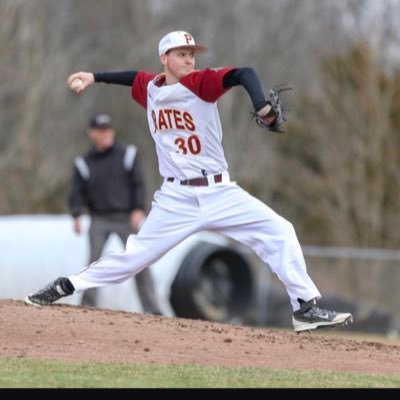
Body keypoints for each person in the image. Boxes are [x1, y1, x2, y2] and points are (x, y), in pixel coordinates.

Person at [25, 30, 352, 333]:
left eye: (191, 53)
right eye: (181, 54)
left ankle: (305, 307)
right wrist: (93, 77)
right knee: (133, 258)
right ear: (164, 58)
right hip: (175, 198)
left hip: (219, 191)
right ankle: (66, 285)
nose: (189, 59)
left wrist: (259, 103)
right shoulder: (151, 88)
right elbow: (131, 78)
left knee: (280, 231)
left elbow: (244, 73)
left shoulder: (201, 83)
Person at [68, 113, 162, 315]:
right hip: (99, 219)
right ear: (92, 133)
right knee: (93, 263)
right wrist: (76, 215)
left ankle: (153, 309)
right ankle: (87, 308)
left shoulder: (127, 154)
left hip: (125, 217)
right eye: (101, 130)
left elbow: (139, 184)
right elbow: (76, 192)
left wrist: (138, 209)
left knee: (139, 262)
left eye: (109, 129)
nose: (106, 134)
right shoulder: (84, 162)